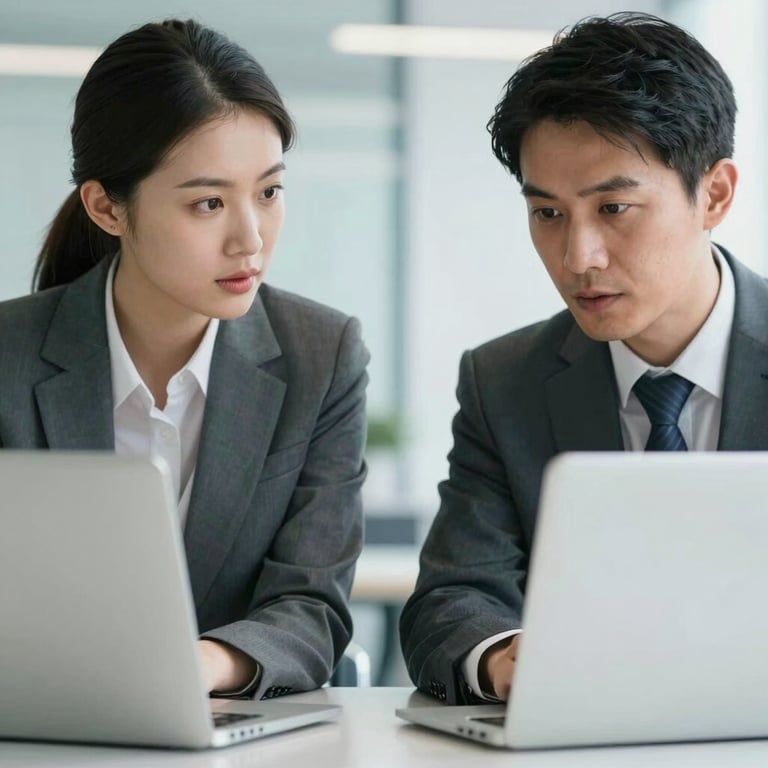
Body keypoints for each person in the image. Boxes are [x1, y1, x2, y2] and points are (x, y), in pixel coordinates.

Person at [399, 11, 762, 704]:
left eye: (615, 208)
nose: (578, 258)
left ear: (713, 194)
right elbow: (450, 603)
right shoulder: (504, 383)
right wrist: (507, 659)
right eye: (548, 213)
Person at [0, 19, 369, 700]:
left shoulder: (323, 357)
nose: (250, 239)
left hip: (235, 731)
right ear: (106, 207)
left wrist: (200, 666)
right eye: (208, 202)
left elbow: (313, 608)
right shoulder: (9, 360)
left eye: (269, 191)